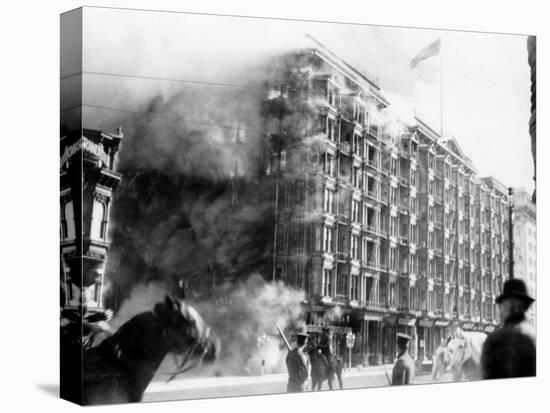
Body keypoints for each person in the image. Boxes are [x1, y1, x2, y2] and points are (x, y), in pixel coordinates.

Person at [481, 278, 536, 379]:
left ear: (512, 305)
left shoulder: (495, 340)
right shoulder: (536, 337)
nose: (499, 309)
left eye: (501, 304)